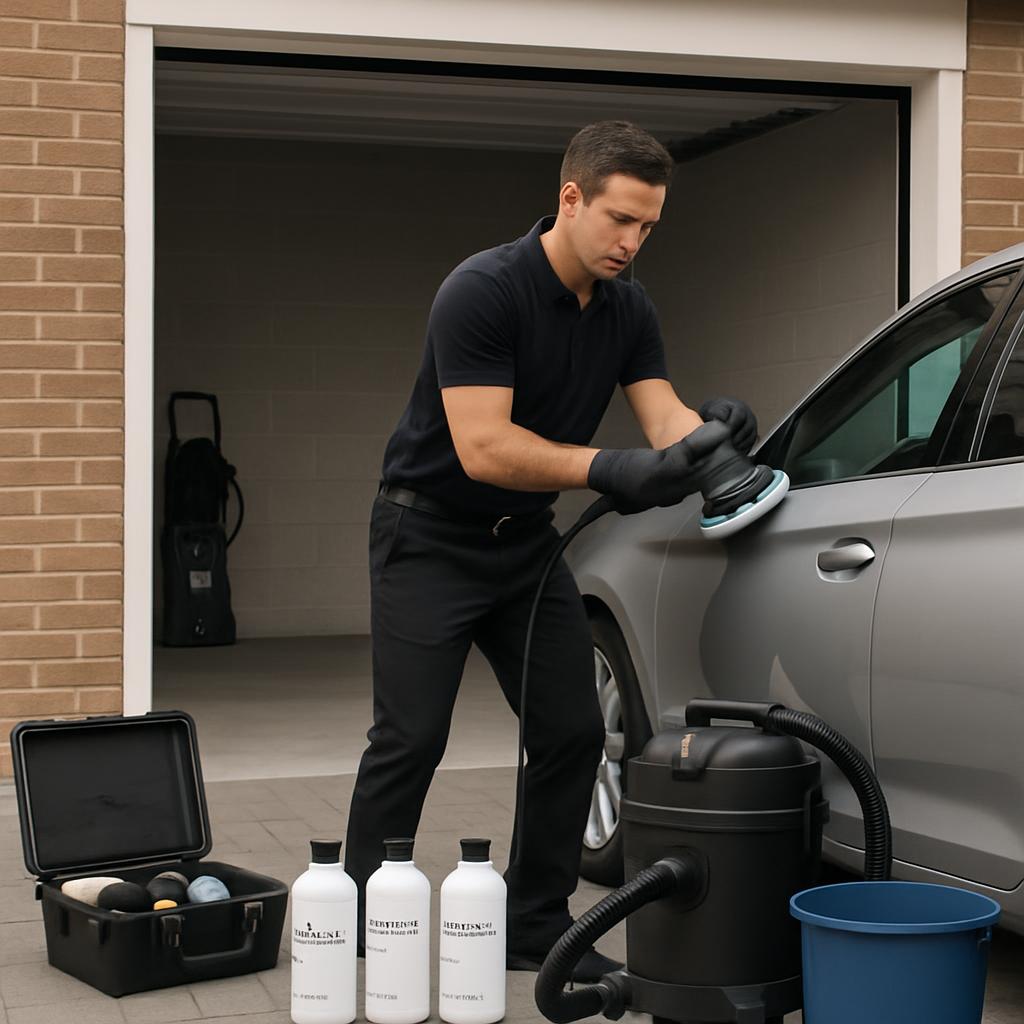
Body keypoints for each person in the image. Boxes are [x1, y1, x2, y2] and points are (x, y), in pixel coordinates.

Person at [343, 120, 756, 981]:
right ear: (571, 198)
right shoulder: (482, 290)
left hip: (523, 546)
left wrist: (715, 441)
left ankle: (534, 928)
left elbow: (661, 419)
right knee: (411, 737)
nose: (631, 242)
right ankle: (353, 921)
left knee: (571, 732)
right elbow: (484, 447)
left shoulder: (628, 308)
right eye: (619, 220)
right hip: (427, 536)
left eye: (648, 226)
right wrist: (614, 468)